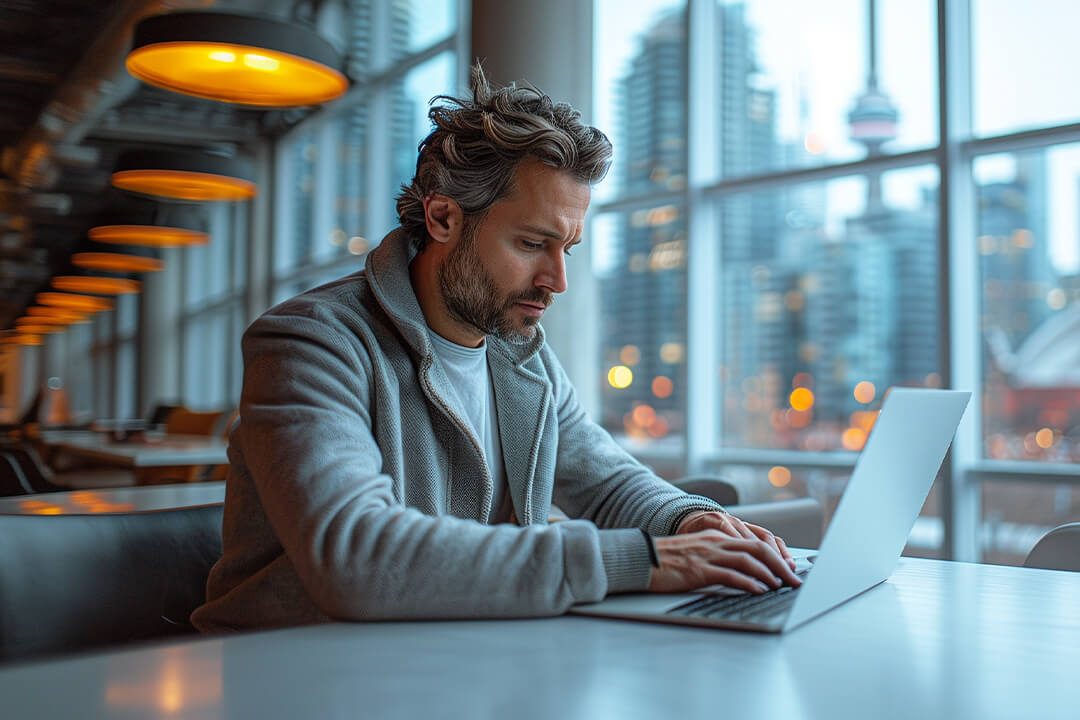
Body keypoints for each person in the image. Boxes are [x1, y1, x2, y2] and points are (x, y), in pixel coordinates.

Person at [191, 65, 800, 632]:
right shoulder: (311, 342)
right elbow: (356, 557)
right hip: (287, 677)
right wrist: (641, 561)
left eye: (568, 248)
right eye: (533, 243)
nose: (557, 280)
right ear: (443, 219)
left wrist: (690, 523)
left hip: (448, 667)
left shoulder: (522, 355)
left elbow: (607, 483)